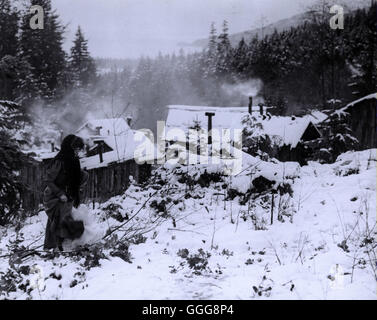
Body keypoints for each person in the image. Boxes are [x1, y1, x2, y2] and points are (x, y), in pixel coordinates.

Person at [43, 134, 89, 252]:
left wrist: (81, 179)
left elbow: (75, 178)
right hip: (54, 195)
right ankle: (59, 246)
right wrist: (60, 194)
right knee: (61, 219)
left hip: (67, 194)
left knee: (68, 217)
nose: (77, 152)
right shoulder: (59, 161)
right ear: (69, 147)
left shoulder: (73, 161)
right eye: (75, 149)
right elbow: (48, 180)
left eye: (78, 149)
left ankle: (65, 245)